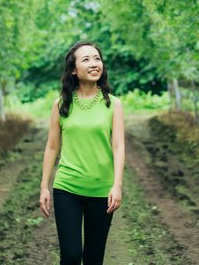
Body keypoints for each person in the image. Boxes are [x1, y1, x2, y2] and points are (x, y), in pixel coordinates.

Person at [39, 41, 125, 265]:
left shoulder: (113, 105)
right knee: (70, 256)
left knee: (94, 259)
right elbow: (52, 147)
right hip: (67, 188)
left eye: (97, 58)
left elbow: (118, 146)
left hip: (101, 190)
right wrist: (44, 187)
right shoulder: (61, 104)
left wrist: (117, 185)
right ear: (74, 70)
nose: (94, 63)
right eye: (86, 59)